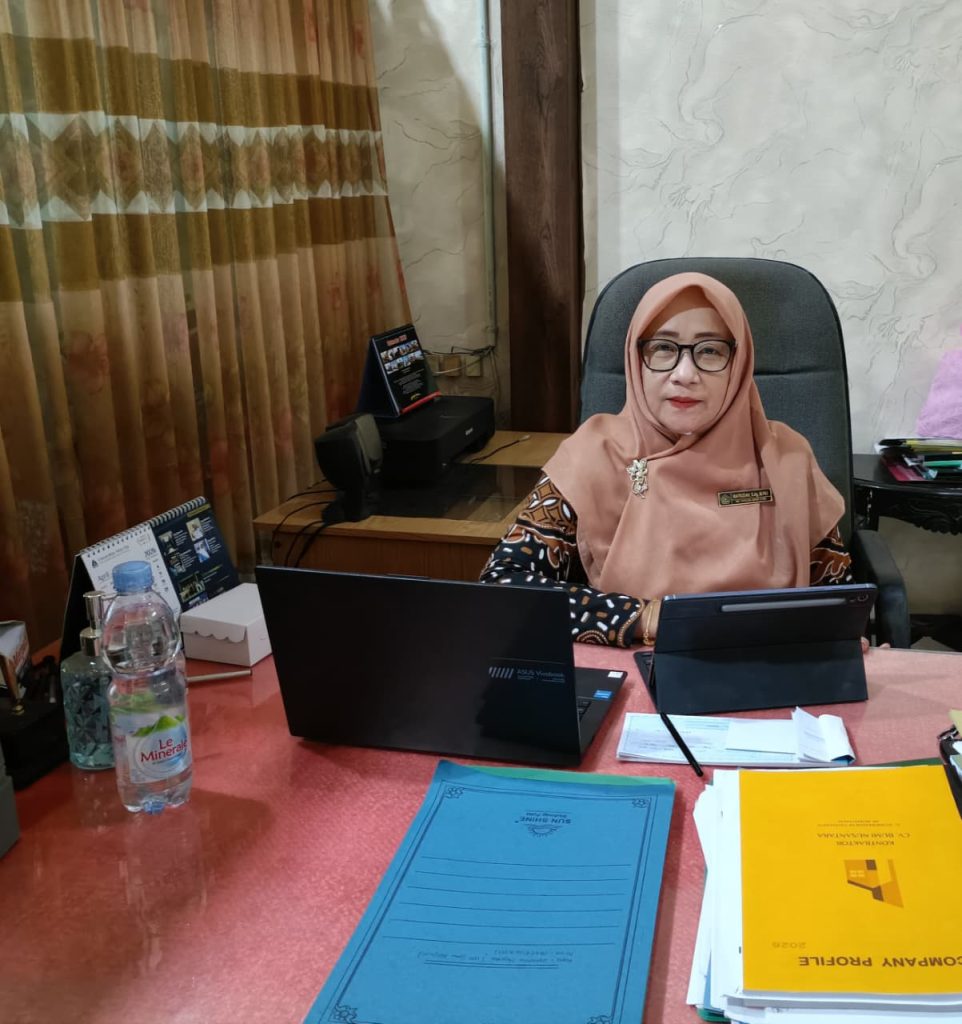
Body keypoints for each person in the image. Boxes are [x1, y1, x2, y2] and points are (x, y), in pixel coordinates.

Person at [480, 272, 853, 646]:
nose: (685, 374)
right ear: (636, 358)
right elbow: (502, 589)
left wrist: (847, 636)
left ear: (738, 363)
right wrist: (645, 617)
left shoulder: (786, 457)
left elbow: (841, 602)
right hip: (637, 664)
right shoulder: (594, 455)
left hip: (772, 667)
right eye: (663, 348)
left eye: (710, 350)